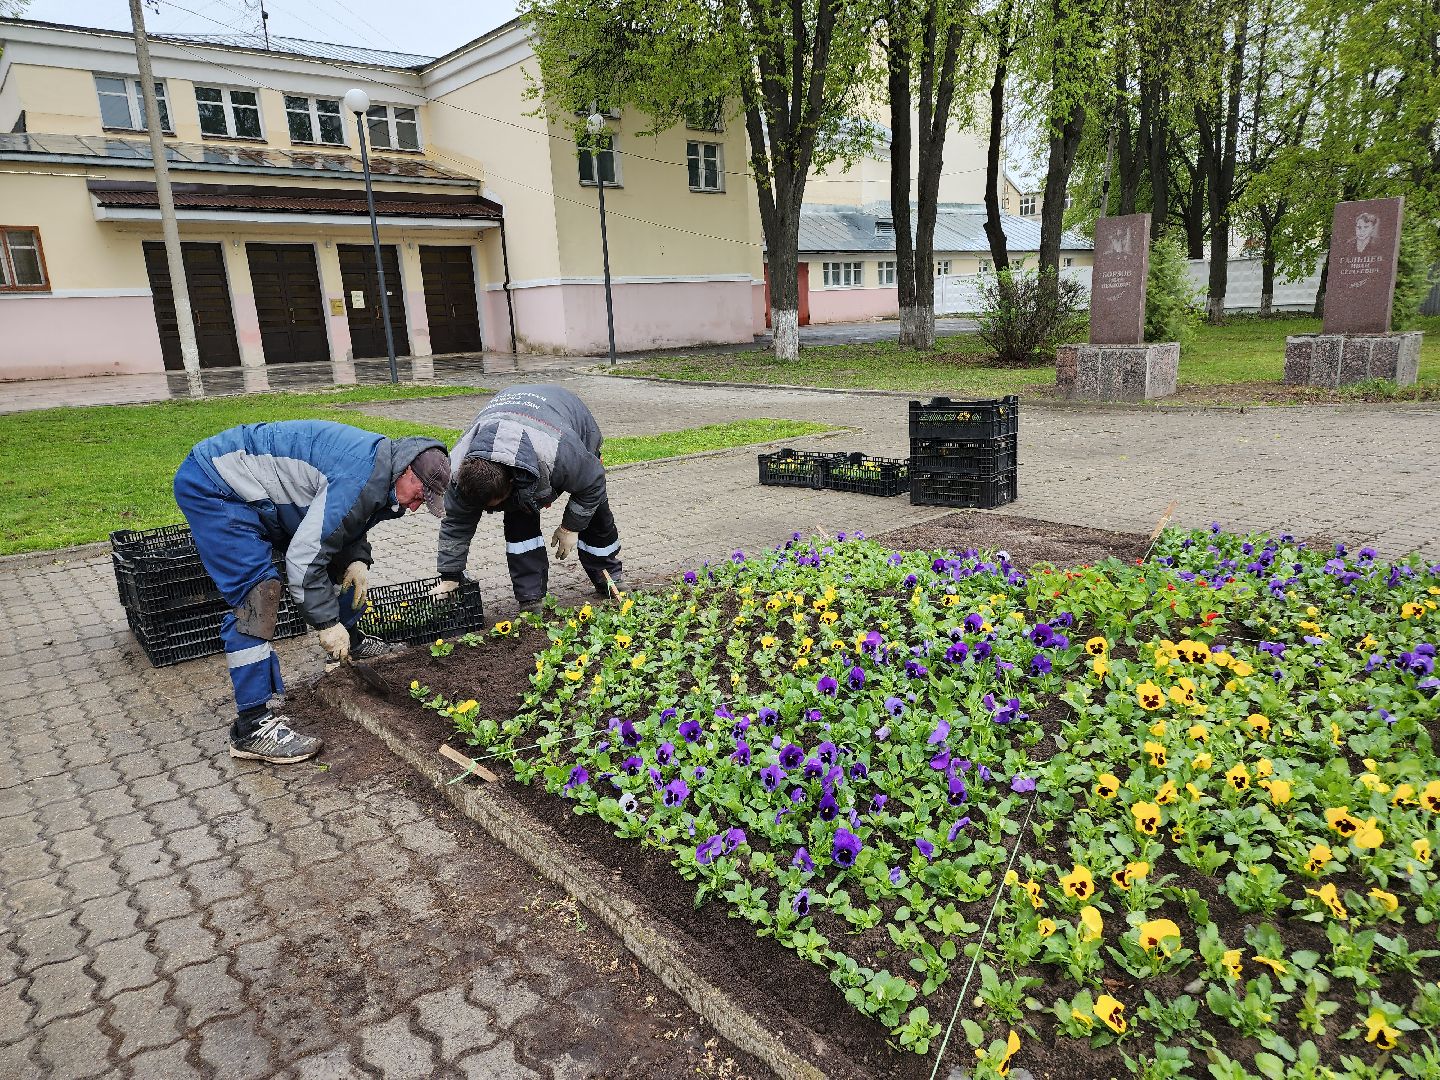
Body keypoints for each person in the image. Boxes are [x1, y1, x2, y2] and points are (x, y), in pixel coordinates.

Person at [173, 420, 451, 764]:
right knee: (259, 595)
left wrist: (356, 558)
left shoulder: (385, 468)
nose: (414, 507)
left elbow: (344, 523)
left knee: (343, 566)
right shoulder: (363, 478)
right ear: (408, 472)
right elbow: (303, 560)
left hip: (263, 491)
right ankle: (251, 726)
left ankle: (351, 642)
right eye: (419, 496)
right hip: (219, 485)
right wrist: (324, 623)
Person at [433, 384, 621, 611]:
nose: (494, 510)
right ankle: (530, 597)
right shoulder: (457, 473)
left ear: (512, 481)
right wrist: (450, 575)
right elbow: (455, 523)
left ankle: (609, 579)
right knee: (519, 518)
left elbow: (592, 482)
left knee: (595, 511)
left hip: (567, 416)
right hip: (513, 419)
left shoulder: (560, 452)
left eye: (496, 503)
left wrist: (570, 527)